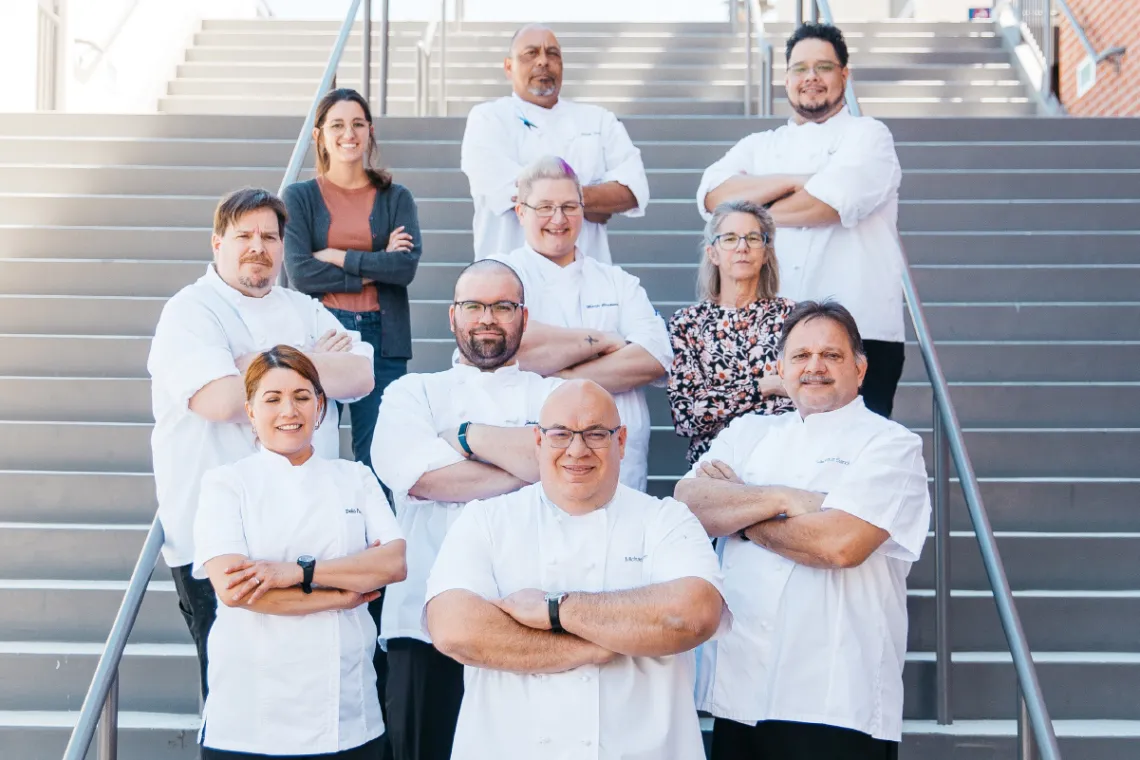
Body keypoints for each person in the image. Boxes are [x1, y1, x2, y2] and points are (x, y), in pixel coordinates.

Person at [673, 300, 931, 760]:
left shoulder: (891, 445)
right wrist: (785, 500)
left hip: (835, 697)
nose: (815, 367)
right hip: (740, 692)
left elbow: (839, 544)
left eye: (832, 355)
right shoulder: (747, 431)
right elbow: (689, 503)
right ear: (782, 368)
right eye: (801, 356)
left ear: (861, 367)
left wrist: (743, 517)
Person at [147, 186, 374, 700]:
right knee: (239, 699)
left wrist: (252, 359)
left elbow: (360, 375)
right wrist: (311, 362)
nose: (258, 247)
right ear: (217, 244)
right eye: (244, 235)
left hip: (311, 535)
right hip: (221, 544)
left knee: (316, 691)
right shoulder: (191, 311)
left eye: (269, 236)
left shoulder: (304, 306)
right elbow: (223, 403)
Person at [425, 379, 730, 760]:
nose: (577, 449)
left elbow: (691, 616)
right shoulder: (486, 518)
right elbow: (455, 629)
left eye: (595, 434)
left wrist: (556, 609)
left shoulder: (667, 520)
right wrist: (608, 641)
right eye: (561, 434)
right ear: (538, 442)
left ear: (621, 441)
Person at [371, 259, 563, 760]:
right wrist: (528, 465)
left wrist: (464, 438)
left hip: (527, 619)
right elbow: (425, 479)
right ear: (453, 315)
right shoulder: (411, 392)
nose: (488, 318)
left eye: (502, 306)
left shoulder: (555, 396)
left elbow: (570, 469)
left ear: (523, 316)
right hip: (424, 620)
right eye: (475, 305)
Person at [194, 346, 406, 759]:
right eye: (272, 399)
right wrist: (341, 594)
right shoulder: (226, 484)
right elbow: (235, 591)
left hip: (347, 716)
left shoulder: (355, 477)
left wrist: (296, 574)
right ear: (250, 411)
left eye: (302, 396)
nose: (289, 410)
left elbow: (393, 562)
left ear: (320, 406)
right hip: (250, 721)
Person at [695, 23, 906, 418]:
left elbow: (828, 204)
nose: (810, 77)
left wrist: (752, 215)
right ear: (786, 78)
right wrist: (798, 181)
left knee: (851, 462)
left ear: (845, 74)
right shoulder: (760, 145)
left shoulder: (869, 136)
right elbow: (712, 197)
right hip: (776, 335)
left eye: (823, 67)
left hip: (863, 332)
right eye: (799, 68)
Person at [490, 155, 671, 491]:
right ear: (520, 211)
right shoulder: (498, 273)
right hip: (530, 466)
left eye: (570, 207)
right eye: (544, 206)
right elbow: (506, 347)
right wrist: (604, 341)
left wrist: (556, 376)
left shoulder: (618, 281)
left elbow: (654, 358)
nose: (558, 219)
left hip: (618, 466)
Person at [283, 87, 422, 473]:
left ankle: (379, 536)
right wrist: (377, 266)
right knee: (314, 447)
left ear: (370, 130)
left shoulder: (397, 198)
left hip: (385, 336)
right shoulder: (299, 198)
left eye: (358, 124)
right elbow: (300, 273)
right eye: (338, 125)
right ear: (319, 135)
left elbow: (404, 270)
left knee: (378, 455)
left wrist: (339, 256)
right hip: (325, 334)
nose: (349, 134)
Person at [461, 24, 649, 264]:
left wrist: (545, 197)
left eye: (552, 54)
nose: (543, 61)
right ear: (509, 67)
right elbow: (505, 189)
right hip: (510, 279)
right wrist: (588, 201)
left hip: (586, 278)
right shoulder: (488, 118)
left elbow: (634, 190)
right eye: (531, 53)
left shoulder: (599, 119)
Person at [668, 199, 795, 465]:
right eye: (729, 238)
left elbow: (805, 393)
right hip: (715, 468)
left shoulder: (794, 318)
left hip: (783, 460)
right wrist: (765, 386)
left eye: (753, 237)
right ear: (712, 253)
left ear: (766, 252)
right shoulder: (687, 324)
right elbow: (687, 416)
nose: (742, 247)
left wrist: (721, 399)